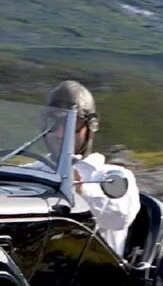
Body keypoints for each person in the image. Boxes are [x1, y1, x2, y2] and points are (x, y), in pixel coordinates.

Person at [45, 80, 141, 256]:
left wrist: (81, 192)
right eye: (53, 123)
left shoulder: (114, 176)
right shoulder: (32, 171)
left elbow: (120, 218)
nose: (59, 133)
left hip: (96, 274)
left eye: (70, 124)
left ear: (91, 125)